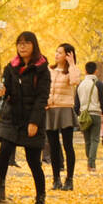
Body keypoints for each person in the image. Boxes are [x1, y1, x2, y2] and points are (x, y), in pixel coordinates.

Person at [0, 31, 51, 204]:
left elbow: (42, 98)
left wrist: (34, 122)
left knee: (33, 160)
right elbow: (6, 90)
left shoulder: (42, 69)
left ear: (34, 45)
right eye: (19, 43)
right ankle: (0, 188)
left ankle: (40, 199)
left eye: (26, 43)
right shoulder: (11, 67)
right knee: (4, 152)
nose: (22, 46)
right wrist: (1, 92)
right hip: (12, 117)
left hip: (32, 118)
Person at [45, 44, 84, 191]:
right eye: (56, 51)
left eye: (60, 52)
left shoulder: (72, 71)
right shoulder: (50, 70)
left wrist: (72, 64)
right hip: (50, 110)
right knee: (53, 146)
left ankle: (69, 179)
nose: (56, 54)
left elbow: (75, 82)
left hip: (65, 109)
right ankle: (56, 179)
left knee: (68, 146)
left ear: (68, 55)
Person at [75, 62, 103, 171]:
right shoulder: (98, 84)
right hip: (95, 114)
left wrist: (77, 114)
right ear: (96, 71)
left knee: (87, 140)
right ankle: (91, 163)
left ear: (85, 71)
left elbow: (76, 103)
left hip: (83, 115)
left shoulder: (80, 84)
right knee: (95, 139)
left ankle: (90, 161)